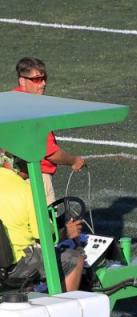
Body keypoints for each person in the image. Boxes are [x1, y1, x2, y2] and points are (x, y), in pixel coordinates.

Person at [0, 153, 84, 291]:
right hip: (12, 266)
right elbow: (44, 237)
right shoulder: (26, 190)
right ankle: (63, 309)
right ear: (20, 164)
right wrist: (66, 233)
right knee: (75, 259)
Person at [12, 57, 86, 204]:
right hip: (35, 178)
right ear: (22, 81)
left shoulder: (10, 100)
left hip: (10, 179)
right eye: (37, 79)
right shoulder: (33, 109)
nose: (43, 83)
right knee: (46, 225)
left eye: (44, 78)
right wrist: (74, 160)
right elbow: (50, 153)